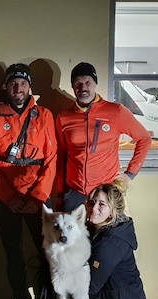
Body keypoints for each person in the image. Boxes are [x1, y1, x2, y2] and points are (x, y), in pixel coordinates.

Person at [0, 63, 57, 299]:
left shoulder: (44, 116)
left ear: (29, 87)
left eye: (22, 83)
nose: (18, 88)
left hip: (38, 196)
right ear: (6, 86)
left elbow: (51, 159)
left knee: (48, 254)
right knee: (12, 256)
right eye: (13, 83)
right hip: (6, 199)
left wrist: (38, 197)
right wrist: (7, 197)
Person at [55, 62, 151, 213]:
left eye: (87, 82)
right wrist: (61, 193)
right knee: (71, 237)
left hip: (105, 192)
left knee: (109, 236)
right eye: (78, 83)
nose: (83, 88)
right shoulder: (63, 118)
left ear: (95, 83)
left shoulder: (116, 111)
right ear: (73, 87)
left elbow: (144, 139)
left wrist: (130, 174)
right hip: (75, 192)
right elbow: (61, 156)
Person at [85, 181, 149, 299]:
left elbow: (88, 287)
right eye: (92, 201)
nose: (94, 207)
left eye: (102, 204)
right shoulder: (98, 231)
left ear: (112, 212)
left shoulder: (110, 243)